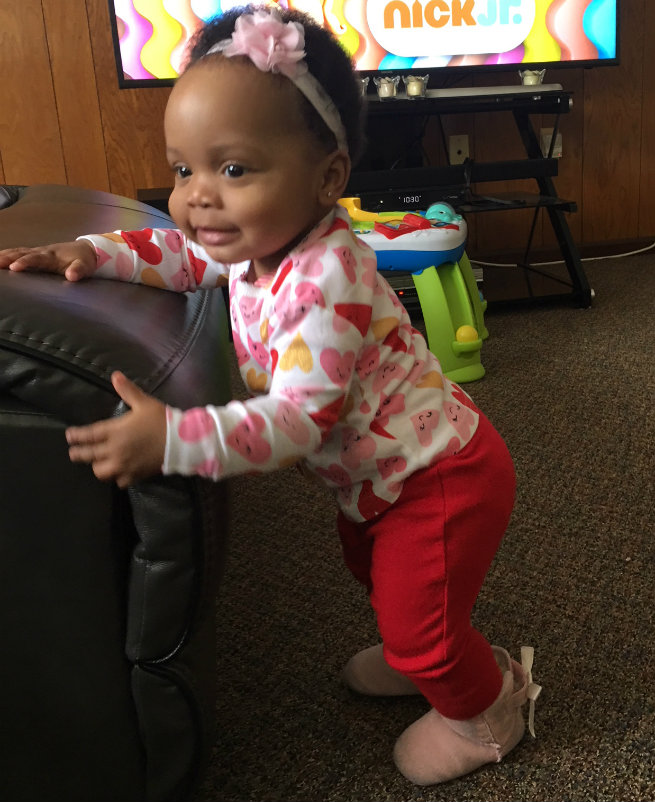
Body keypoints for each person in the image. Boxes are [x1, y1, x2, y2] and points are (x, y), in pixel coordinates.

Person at [0, 3, 539, 786]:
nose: (198, 198)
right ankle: (421, 648)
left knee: (421, 619)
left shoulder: (328, 278)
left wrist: (176, 437)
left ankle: (487, 712)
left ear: (327, 177)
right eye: (184, 170)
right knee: (385, 585)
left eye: (234, 169)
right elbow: (174, 254)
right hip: (375, 480)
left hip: (441, 479)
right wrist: (88, 251)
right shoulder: (254, 244)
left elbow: (294, 422)